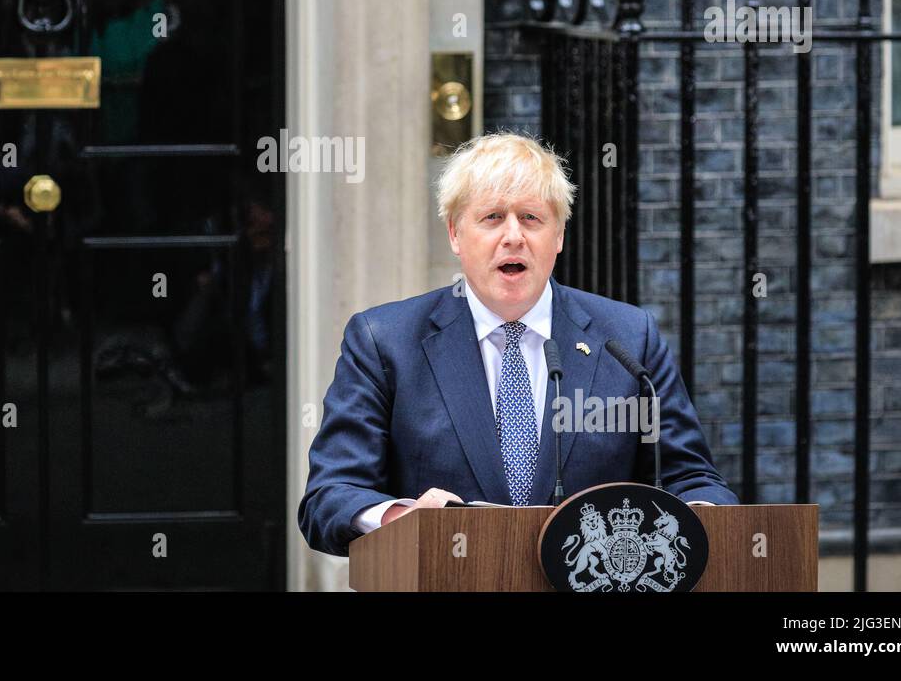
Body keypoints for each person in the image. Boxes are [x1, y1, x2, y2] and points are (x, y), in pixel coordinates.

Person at [297, 132, 737, 557]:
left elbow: (690, 477)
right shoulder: (384, 341)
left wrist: (693, 519)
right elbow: (329, 497)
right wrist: (405, 519)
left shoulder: (627, 339)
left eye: (531, 218)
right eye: (491, 217)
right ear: (455, 234)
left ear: (558, 235)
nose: (513, 236)